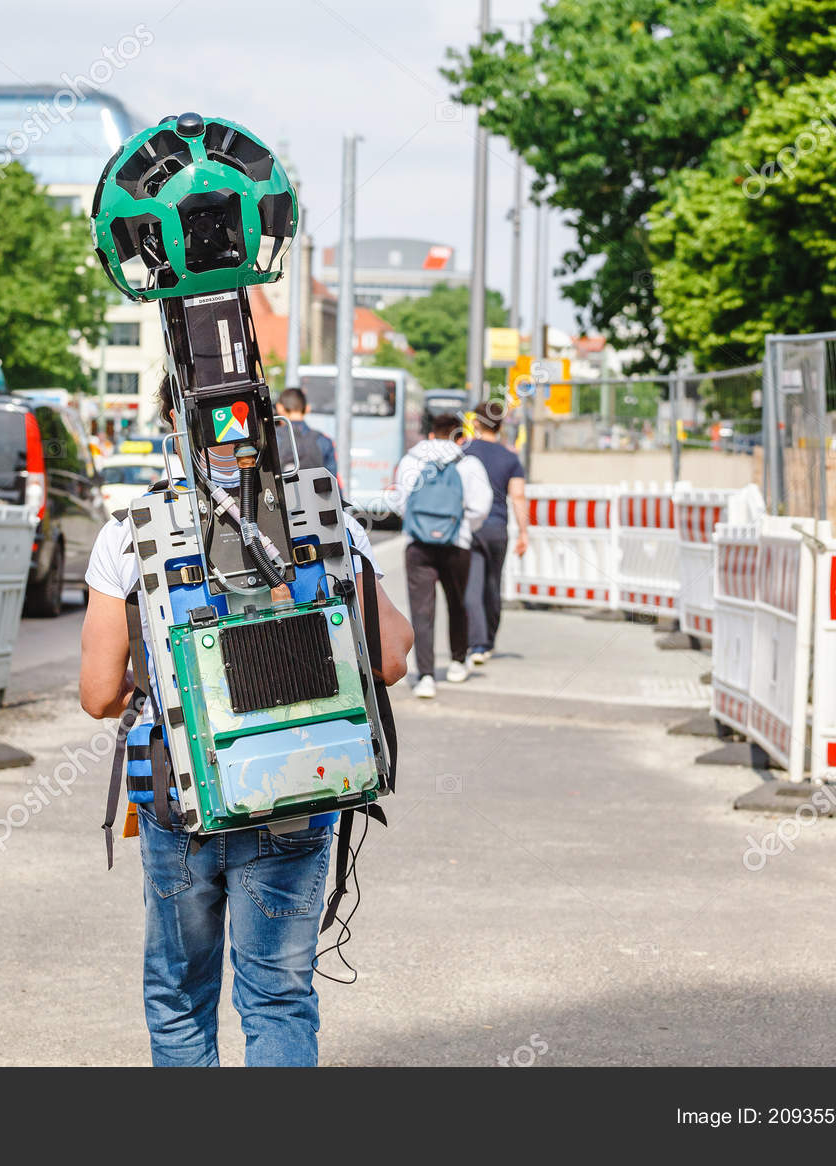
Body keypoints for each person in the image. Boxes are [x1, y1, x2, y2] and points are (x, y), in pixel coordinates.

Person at [80, 383, 413, 1067]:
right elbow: (391, 657)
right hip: (295, 788)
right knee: (277, 998)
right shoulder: (324, 521)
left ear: (172, 420)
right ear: (260, 419)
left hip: (180, 802)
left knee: (179, 994)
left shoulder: (129, 530)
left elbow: (96, 693)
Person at [391, 413, 492, 699]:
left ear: (431, 434)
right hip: (456, 544)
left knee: (422, 611)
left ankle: (425, 676)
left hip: (418, 544)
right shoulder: (469, 463)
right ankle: (458, 662)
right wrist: (460, 527)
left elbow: (400, 502)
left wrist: (422, 525)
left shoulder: (411, 460)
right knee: (457, 602)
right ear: (459, 437)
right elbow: (480, 507)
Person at [462, 399, 528, 665]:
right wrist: (525, 533)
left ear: (476, 422)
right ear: (501, 426)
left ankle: (476, 644)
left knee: (472, 586)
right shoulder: (510, 458)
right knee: (493, 586)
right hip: (498, 529)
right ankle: (487, 641)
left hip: (471, 527)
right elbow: (519, 497)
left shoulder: (464, 452)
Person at [274, 386, 338, 479]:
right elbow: (333, 482)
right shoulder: (323, 440)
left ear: (279, 408)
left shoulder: (272, 439)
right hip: (314, 493)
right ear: (307, 409)